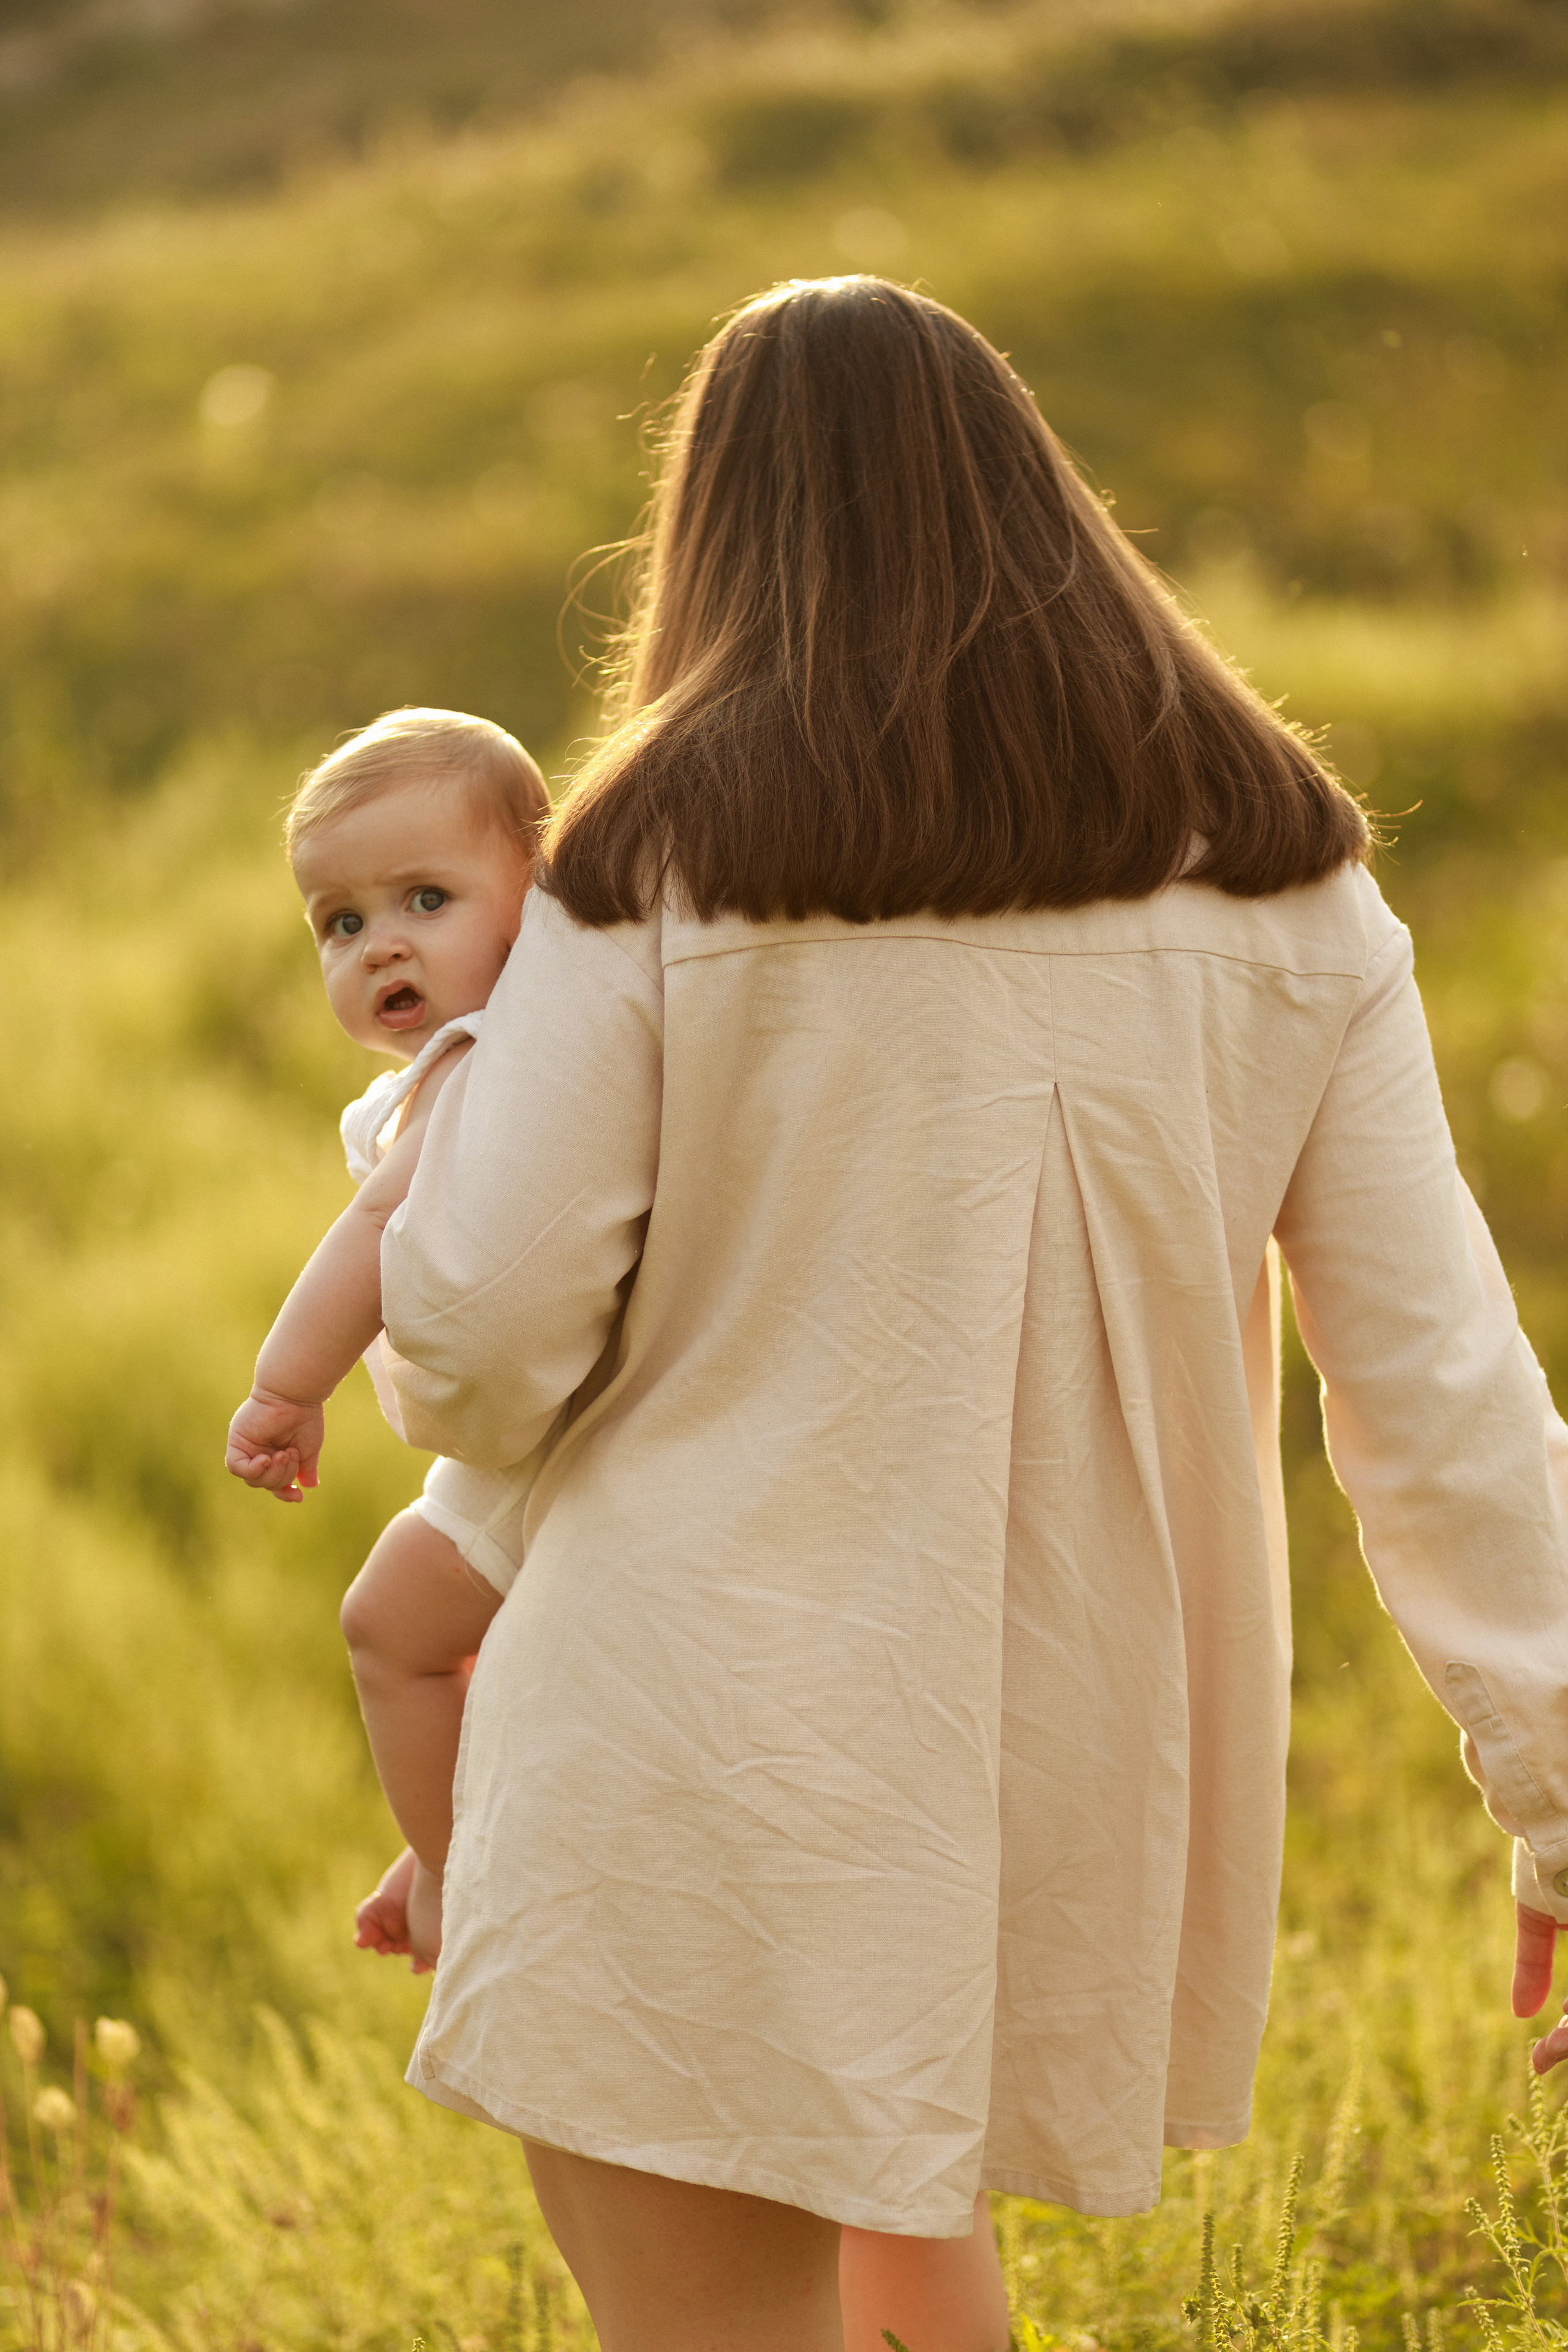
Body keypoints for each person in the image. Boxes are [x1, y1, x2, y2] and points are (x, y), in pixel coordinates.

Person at [246, 277, 1568, 2352]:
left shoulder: (651, 853)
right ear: (1041, 508)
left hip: (675, 1753)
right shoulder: (1301, 894)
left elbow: (489, 1347)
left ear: (719, 540)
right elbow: (1443, 1398)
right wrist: (1564, 1782)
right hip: (1028, 1780)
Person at [224, 705, 552, 1969]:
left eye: (427, 897)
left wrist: (285, 1388)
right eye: (342, 924)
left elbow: (377, 1224)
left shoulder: (478, 1060)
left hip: (541, 1462)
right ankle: (445, 1830)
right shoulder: (470, 1060)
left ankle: (454, 1885)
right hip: (528, 1444)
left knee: (387, 1626)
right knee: (449, 1652)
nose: (382, 946)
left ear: (536, 893)